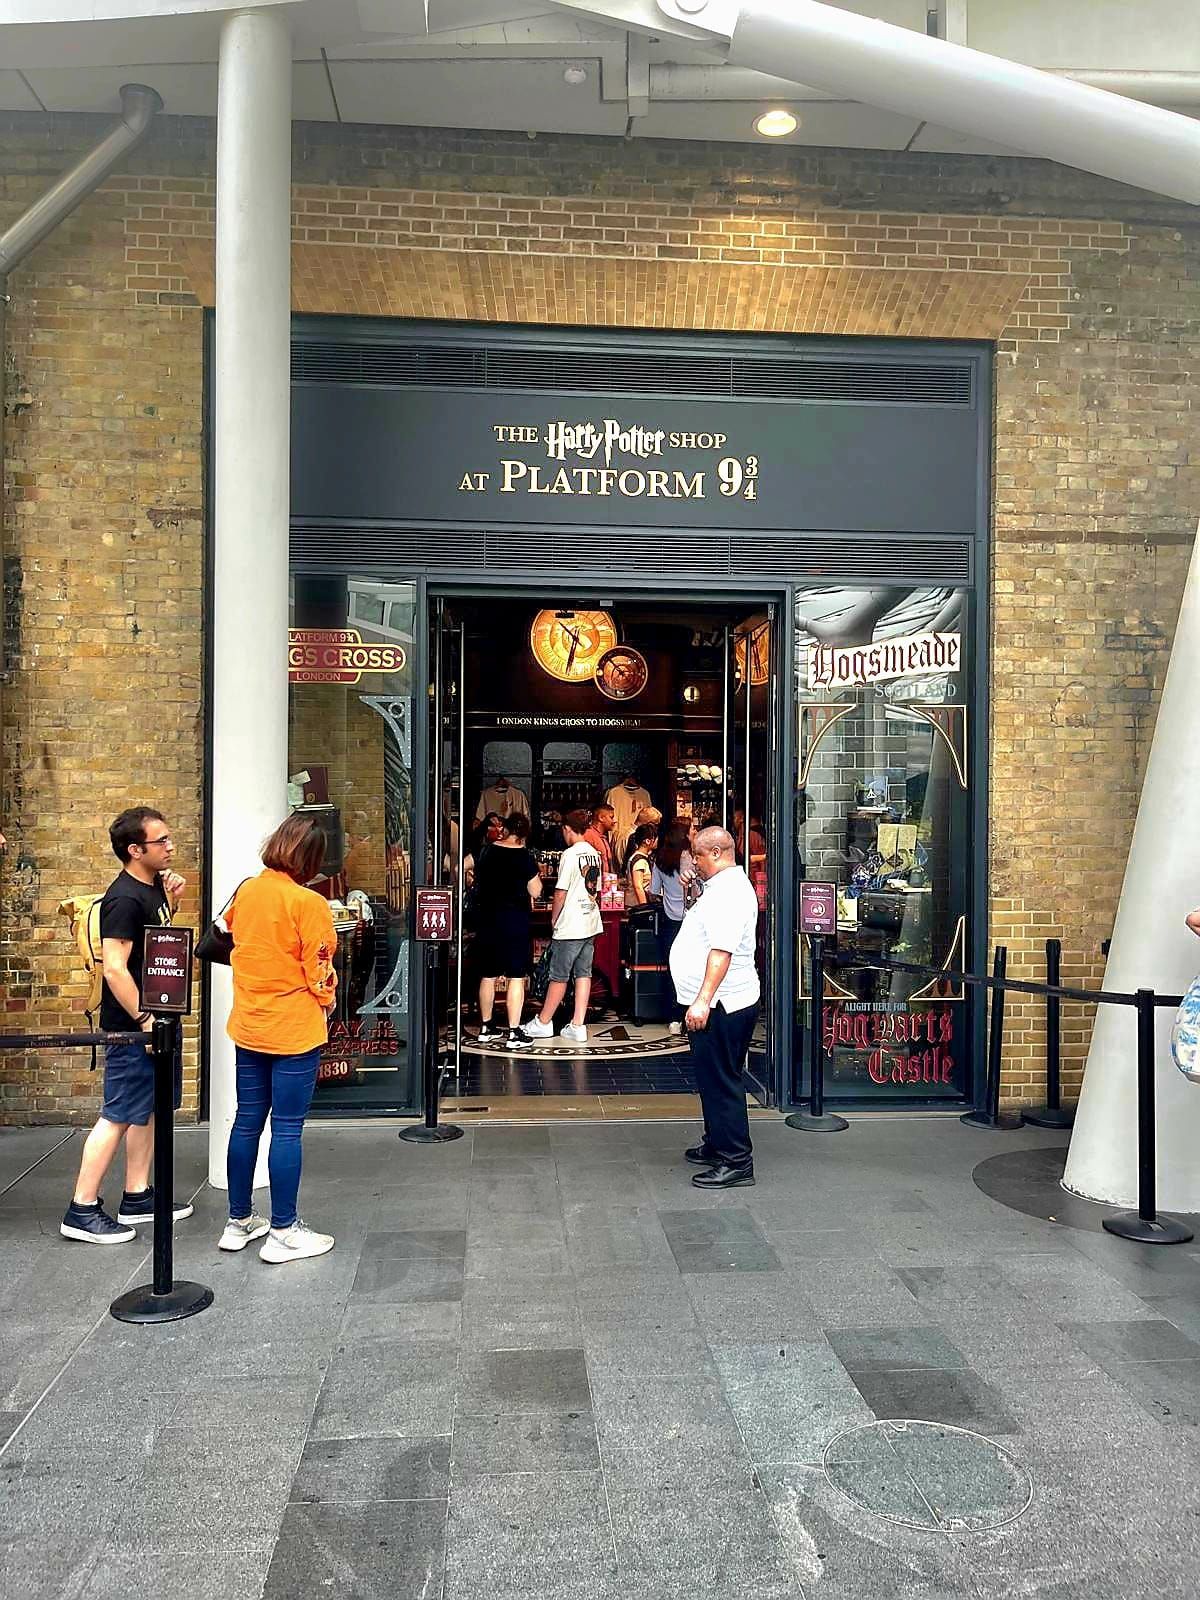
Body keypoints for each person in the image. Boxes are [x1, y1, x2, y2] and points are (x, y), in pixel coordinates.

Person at [60, 808, 191, 1244]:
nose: (170, 847)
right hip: (134, 1028)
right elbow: (115, 968)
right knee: (116, 1116)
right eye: (162, 842)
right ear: (136, 850)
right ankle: (81, 1208)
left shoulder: (151, 889)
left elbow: (155, 949)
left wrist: (173, 899)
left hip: (156, 1021)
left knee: (148, 1110)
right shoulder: (123, 899)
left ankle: (137, 1194)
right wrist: (146, 1020)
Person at [219, 814, 338, 1263]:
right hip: (293, 1027)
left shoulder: (247, 890)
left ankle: (238, 1221)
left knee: (247, 1120)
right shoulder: (308, 903)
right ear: (311, 858)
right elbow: (320, 969)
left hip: (249, 1022)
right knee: (287, 1128)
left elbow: (230, 936)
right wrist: (327, 998)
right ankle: (284, 1229)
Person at [668, 825, 761, 1190]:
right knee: (713, 1078)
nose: (694, 861)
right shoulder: (719, 888)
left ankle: (736, 1160)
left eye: (699, 855)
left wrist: (703, 1000)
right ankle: (716, 1142)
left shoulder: (730, 894)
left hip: (723, 1004)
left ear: (718, 853)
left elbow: (721, 952)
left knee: (722, 1081)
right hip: (722, 1002)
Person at [520, 808, 602, 1046]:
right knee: (583, 974)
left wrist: (554, 918)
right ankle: (578, 1024)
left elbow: (560, 892)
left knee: (558, 975)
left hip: (572, 923)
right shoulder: (593, 853)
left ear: (567, 829)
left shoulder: (571, 855)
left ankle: (544, 1022)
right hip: (590, 919)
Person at [473, 812, 543, 1050]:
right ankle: (513, 1033)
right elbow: (536, 891)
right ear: (524, 833)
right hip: (515, 922)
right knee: (515, 977)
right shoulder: (523, 857)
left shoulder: (487, 851)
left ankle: (486, 1027)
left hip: (488, 921)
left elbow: (463, 867)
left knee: (488, 975)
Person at [650, 818, 698, 1034]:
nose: (695, 832)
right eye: (692, 830)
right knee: (695, 968)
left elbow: (653, 891)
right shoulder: (692, 858)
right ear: (685, 835)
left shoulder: (660, 859)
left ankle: (673, 1018)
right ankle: (691, 1014)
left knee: (673, 970)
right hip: (694, 919)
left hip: (670, 920)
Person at [624, 823, 658, 909]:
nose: (657, 840)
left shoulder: (639, 857)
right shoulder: (640, 861)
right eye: (655, 838)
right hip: (635, 906)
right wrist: (644, 907)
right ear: (648, 841)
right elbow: (638, 886)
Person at [582, 802, 615, 873]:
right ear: (601, 818)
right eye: (611, 817)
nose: (613, 821)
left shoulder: (603, 838)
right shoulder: (588, 835)